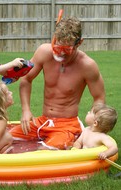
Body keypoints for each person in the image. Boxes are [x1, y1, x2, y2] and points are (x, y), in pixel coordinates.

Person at [10, 16, 106, 150]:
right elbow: (26, 79)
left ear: (79, 43)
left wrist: (94, 127)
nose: (60, 54)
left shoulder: (87, 65)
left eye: (66, 50)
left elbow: (99, 97)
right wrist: (26, 110)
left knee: (46, 153)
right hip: (43, 121)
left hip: (67, 125)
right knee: (4, 138)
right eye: (57, 47)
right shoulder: (44, 52)